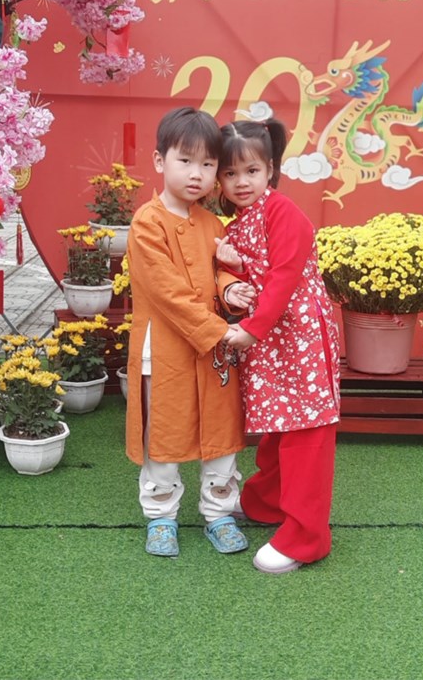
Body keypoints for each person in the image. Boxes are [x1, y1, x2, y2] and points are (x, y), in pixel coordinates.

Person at [125, 106, 254, 558]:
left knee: (221, 433)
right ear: (160, 161)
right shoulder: (147, 222)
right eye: (185, 161)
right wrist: (220, 331)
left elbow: (218, 272)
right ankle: (161, 517)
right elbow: (167, 294)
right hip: (164, 351)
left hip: (213, 349)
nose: (197, 174)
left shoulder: (212, 223)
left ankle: (219, 513)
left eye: (208, 164)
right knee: (164, 434)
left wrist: (232, 287)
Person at [216, 117, 340, 575]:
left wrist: (252, 328)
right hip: (271, 337)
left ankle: (307, 537)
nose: (241, 182)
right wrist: (231, 274)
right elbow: (250, 277)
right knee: (278, 423)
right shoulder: (239, 222)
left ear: (270, 169)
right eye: (230, 173)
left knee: (306, 429)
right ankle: (267, 502)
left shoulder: (282, 211)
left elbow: (285, 275)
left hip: (299, 334)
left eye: (251, 170)